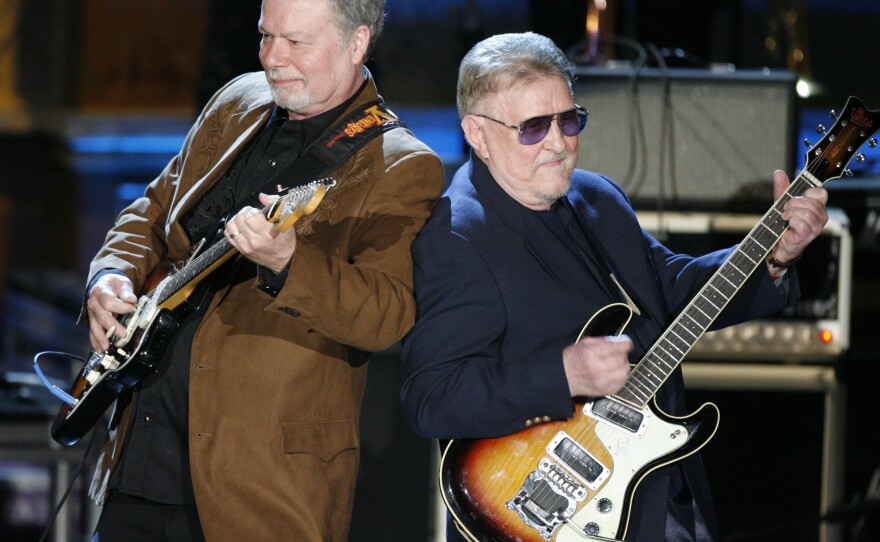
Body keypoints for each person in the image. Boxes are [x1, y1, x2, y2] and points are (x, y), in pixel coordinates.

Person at [400, 32, 828, 541]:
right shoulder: (457, 237)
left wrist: (774, 257)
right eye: (533, 128)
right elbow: (431, 397)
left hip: (654, 490)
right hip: (539, 512)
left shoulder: (596, 197)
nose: (559, 143)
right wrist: (563, 374)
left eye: (569, 119)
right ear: (477, 133)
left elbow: (669, 289)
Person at [82, 0, 445, 540]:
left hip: (260, 490)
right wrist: (111, 273)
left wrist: (289, 262)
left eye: (296, 42)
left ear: (357, 43)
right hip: (141, 458)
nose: (273, 57)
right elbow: (152, 210)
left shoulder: (401, 165)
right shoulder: (237, 99)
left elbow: (386, 313)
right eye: (265, 35)